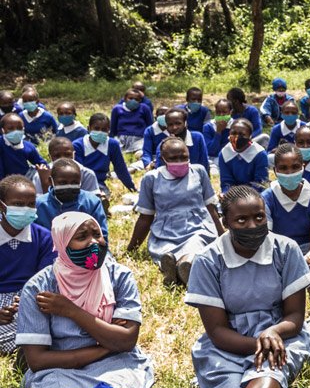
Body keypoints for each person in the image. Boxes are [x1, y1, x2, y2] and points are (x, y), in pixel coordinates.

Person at [16, 212, 187, 388]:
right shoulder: (39, 288)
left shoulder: (119, 276)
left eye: (97, 234)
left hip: (116, 362)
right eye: (81, 237)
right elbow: (38, 360)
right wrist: (106, 344)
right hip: (59, 368)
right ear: (62, 243)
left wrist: (71, 310)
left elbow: (126, 340)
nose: (94, 243)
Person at [187, 186, 310, 388]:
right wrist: (258, 342)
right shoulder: (208, 260)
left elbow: (295, 315)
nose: (253, 225)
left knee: (272, 364)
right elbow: (217, 330)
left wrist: (272, 334)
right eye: (241, 220)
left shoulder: (286, 249)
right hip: (228, 340)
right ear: (225, 223)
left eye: (259, 217)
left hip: (281, 333)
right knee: (229, 380)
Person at [128, 137, 221, 288]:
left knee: (196, 245)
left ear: (189, 155)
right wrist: (132, 248)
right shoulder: (151, 178)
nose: (179, 161)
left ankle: (184, 266)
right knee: (166, 252)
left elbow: (210, 207)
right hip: (165, 232)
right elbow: (146, 217)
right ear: (163, 158)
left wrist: (222, 235)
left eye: (183, 157)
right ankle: (175, 268)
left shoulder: (198, 171)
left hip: (198, 227)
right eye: (173, 158)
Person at [262, 143, 310, 302]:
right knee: (271, 272)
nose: (289, 172)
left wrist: (304, 260)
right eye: (283, 168)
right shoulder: (266, 199)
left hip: (309, 252)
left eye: (295, 167)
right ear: (275, 171)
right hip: (277, 252)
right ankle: (299, 281)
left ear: (303, 167)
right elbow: (267, 240)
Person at [0, 176, 55, 354]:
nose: (26, 209)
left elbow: (45, 278)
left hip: (31, 295)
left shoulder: (44, 237)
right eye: (18, 204)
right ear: (2, 206)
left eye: (31, 204)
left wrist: (27, 299)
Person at [35, 159, 108, 239]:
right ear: (50, 181)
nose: (69, 187)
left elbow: (101, 236)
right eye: (63, 183)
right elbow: (36, 238)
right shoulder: (40, 205)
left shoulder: (91, 202)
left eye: (74, 183)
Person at [73, 114, 135, 197]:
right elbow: (78, 172)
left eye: (104, 130)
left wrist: (131, 187)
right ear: (88, 129)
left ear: (108, 131)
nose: (100, 132)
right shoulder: (78, 145)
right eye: (96, 128)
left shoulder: (112, 144)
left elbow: (120, 168)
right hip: (81, 184)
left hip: (99, 184)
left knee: (101, 196)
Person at [217, 118, 268, 193]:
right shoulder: (224, 153)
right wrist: (226, 194)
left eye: (242, 134)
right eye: (233, 133)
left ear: (250, 137)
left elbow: (260, 184)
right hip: (233, 196)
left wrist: (244, 197)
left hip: (254, 195)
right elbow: (226, 182)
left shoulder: (259, 154)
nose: (237, 137)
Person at [2, 112, 49, 188]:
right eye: (10, 128)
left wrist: (42, 168)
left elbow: (40, 162)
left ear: (23, 129)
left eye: (19, 128)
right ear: (3, 130)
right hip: (5, 182)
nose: (15, 131)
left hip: (24, 179)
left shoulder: (28, 146)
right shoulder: (1, 145)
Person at [110, 87, 153, 158]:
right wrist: (111, 139)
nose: (133, 101)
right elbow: (113, 127)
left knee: (141, 151)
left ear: (140, 101)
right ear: (124, 98)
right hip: (121, 138)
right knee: (115, 150)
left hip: (139, 138)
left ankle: (138, 153)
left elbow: (150, 125)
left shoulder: (144, 108)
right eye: (130, 98)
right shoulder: (117, 109)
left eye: (136, 99)